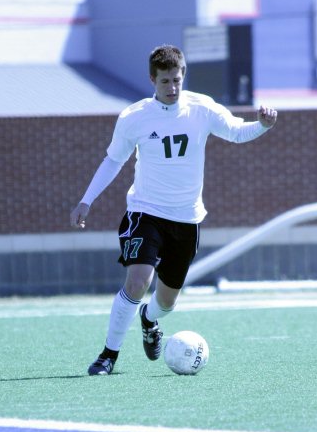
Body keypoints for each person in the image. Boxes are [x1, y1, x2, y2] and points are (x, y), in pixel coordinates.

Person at [70, 44, 277, 375]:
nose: (172, 88)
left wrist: (262, 126)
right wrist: (86, 199)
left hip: (187, 219)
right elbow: (113, 160)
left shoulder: (202, 109)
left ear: (184, 76)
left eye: (177, 80)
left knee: (166, 302)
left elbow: (237, 132)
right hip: (145, 213)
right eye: (165, 81)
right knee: (138, 281)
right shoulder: (134, 117)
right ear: (152, 79)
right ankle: (108, 355)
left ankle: (149, 320)